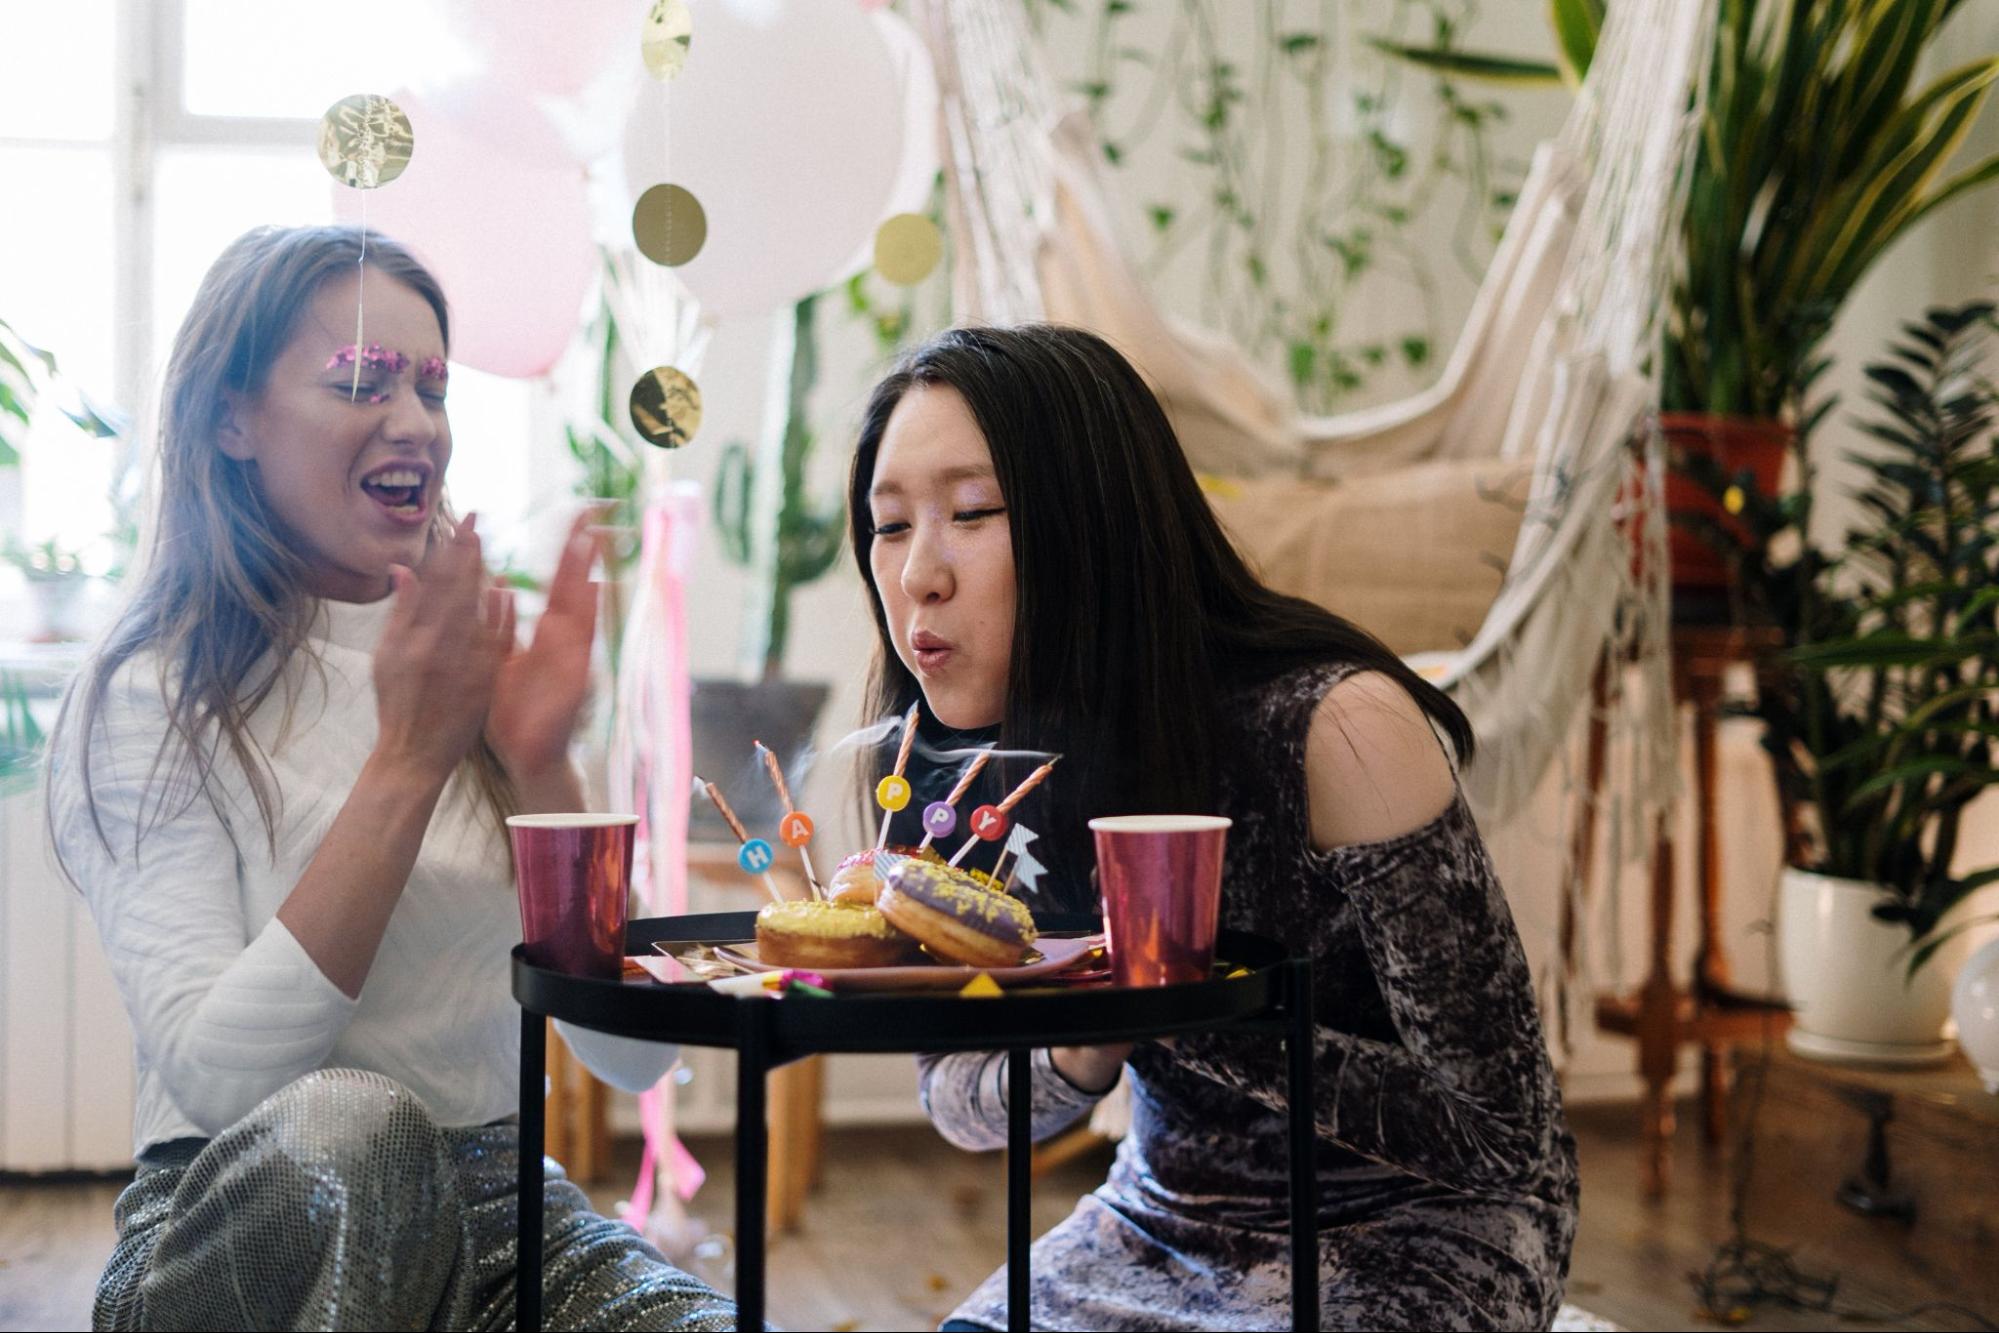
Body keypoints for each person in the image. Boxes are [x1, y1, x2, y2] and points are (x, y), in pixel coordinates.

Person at [44, 224, 737, 1332]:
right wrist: (410, 760)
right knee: (356, 1134)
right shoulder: (149, 693)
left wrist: (543, 764)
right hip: (237, 1228)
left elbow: (636, 1054)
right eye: (362, 379)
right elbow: (223, 1088)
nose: (414, 421)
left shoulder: (475, 658)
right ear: (229, 418)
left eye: (431, 386)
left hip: (507, 1219)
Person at [851, 324, 1579, 1331]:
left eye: (972, 511)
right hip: (1157, 1218)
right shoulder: (961, 779)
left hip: (1419, 1223)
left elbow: (1500, 1138)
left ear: (1094, 526)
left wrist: (1181, 1003)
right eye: (889, 526)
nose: (916, 575)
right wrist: (1080, 1051)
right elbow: (953, 1093)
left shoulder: (1336, 730)